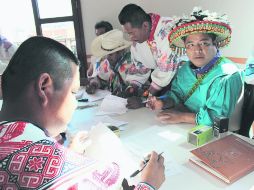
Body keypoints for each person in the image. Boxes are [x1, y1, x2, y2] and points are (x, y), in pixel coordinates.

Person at [0, 36, 165, 189]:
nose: (75, 103)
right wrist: (149, 184)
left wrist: (69, 155)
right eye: (73, 92)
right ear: (44, 87)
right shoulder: (64, 173)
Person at [147, 7, 243, 130]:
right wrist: (163, 102)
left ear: (216, 44)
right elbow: (176, 95)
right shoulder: (185, 70)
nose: (197, 50)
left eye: (204, 43)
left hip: (218, 135)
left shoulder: (227, 75)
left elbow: (218, 118)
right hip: (187, 128)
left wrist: (181, 117)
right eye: (190, 45)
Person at [118, 4, 182, 98]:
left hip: (186, 83)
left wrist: (145, 98)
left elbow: (165, 71)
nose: (131, 38)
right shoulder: (139, 40)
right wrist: (131, 88)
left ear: (145, 26)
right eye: (128, 34)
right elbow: (139, 67)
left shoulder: (168, 30)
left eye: (131, 33)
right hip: (165, 85)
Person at [86, 29, 148, 98]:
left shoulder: (132, 61)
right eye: (106, 54)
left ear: (120, 51)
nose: (107, 58)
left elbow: (140, 87)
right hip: (116, 102)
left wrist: (127, 92)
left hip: (137, 102)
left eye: (110, 54)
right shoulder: (107, 63)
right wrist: (93, 85)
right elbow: (101, 79)